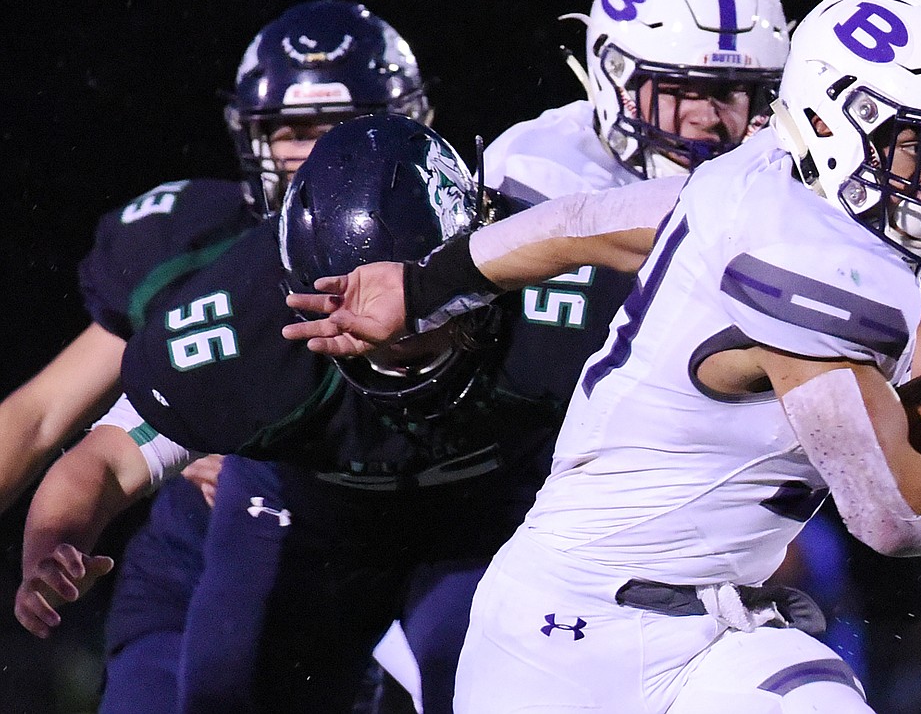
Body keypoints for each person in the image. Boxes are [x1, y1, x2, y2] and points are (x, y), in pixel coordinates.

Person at [283, 0, 921, 712]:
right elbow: (890, 508)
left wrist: (430, 285)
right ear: (834, 119)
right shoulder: (809, 258)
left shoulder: (758, 179)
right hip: (570, 646)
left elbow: (585, 224)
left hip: (714, 633)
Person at [13, 113, 614, 713]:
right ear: (295, 286)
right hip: (308, 516)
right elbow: (110, 458)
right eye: (352, 310)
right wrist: (57, 540)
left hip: (491, 512)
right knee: (230, 693)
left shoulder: (560, 289)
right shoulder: (245, 327)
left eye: (421, 302)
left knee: (487, 681)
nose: (391, 334)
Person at [3, 0, 429, 713]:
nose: (318, 154)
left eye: (345, 128)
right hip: (205, 574)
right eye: (293, 130)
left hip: (404, 569)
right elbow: (44, 415)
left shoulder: (464, 252)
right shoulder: (191, 250)